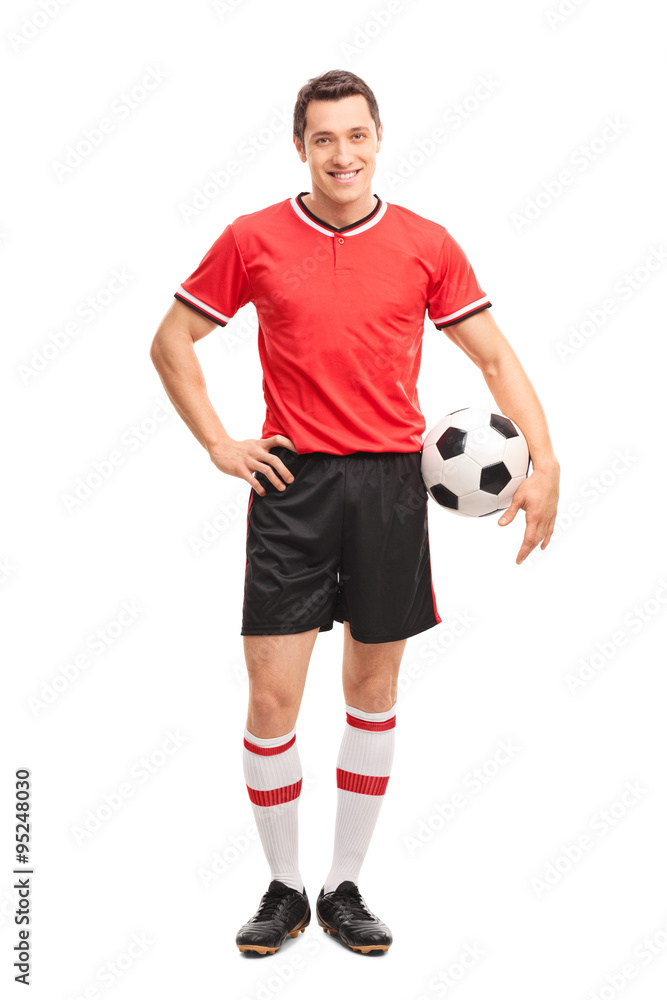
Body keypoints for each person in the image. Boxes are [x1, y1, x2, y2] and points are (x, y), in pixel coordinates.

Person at [149, 68, 560, 957]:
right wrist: (220, 443)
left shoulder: (425, 243)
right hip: (291, 488)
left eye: (357, 136)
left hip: (388, 489)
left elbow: (492, 359)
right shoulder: (253, 238)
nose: (343, 154)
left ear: (380, 139)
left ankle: (342, 887)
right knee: (270, 700)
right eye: (324, 138)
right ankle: (283, 888)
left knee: (371, 693)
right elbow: (171, 340)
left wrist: (545, 461)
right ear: (300, 146)